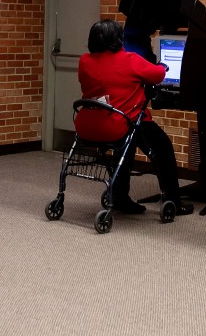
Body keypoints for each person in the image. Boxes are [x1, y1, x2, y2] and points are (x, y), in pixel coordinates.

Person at [74, 19, 193, 217]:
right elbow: (157, 75)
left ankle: (120, 197)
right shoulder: (130, 60)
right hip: (122, 122)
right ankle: (174, 200)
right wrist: (162, 66)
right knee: (162, 148)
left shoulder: (84, 61)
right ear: (118, 39)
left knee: (125, 148)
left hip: (89, 124)